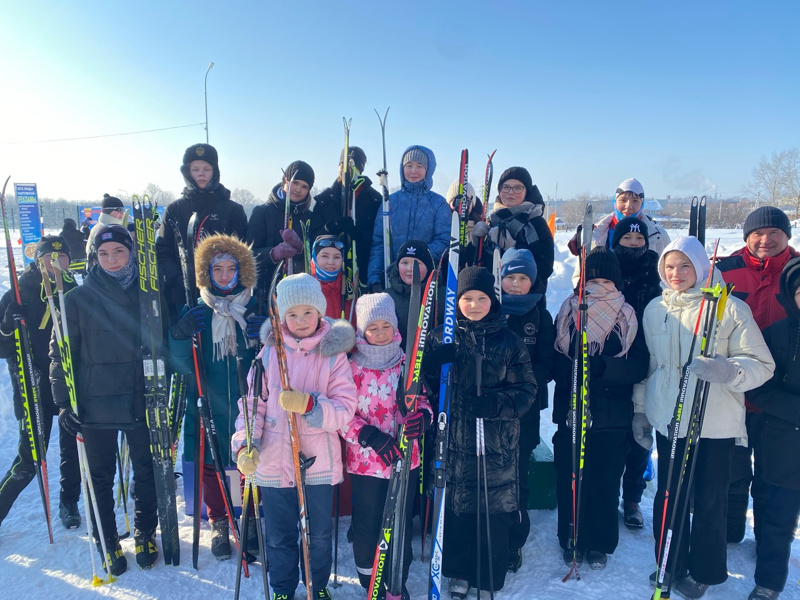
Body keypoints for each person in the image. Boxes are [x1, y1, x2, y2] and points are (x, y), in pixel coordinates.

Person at [639, 236, 774, 598]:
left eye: (685, 266)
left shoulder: (728, 308)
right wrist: (642, 409)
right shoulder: (655, 308)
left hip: (714, 423)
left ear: (700, 267)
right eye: (669, 267)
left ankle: (705, 571)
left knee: (710, 498)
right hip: (669, 416)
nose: (677, 274)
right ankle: (669, 562)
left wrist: (729, 371)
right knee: (669, 495)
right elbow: (652, 365)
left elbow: (763, 365)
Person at [232, 273, 357, 600]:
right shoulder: (269, 354)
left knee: (317, 536)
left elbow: (345, 408)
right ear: (281, 317)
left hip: (316, 464)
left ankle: (318, 586)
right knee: (279, 535)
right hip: (274, 462)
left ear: (319, 312)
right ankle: (283, 589)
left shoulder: (333, 354)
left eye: (307, 312)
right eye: (292, 314)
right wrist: (246, 444)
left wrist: (310, 404)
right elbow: (252, 405)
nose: (300, 320)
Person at [50, 225, 161, 574]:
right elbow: (61, 355)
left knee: (147, 469)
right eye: (103, 254)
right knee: (100, 474)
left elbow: (160, 341)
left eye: (119, 252)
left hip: (141, 396)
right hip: (94, 401)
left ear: (131, 253)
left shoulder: (148, 294)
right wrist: (64, 402)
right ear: (94, 257)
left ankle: (144, 531)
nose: (111, 260)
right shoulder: (78, 300)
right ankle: (106, 538)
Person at [422, 266, 537, 598]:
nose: (473, 305)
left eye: (481, 298)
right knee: (458, 509)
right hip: (454, 443)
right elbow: (423, 389)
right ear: (456, 302)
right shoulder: (442, 336)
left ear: (493, 300)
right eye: (467, 298)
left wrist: (495, 404)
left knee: (491, 512)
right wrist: (431, 364)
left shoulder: (509, 341)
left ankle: (487, 576)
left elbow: (527, 393)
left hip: (494, 444)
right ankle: (458, 570)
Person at [552, 247, 649, 569]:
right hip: (571, 411)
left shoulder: (628, 315)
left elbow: (639, 365)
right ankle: (571, 536)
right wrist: (572, 370)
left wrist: (602, 367)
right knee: (572, 478)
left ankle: (599, 541)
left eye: (606, 278)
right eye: (593, 277)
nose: (599, 285)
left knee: (605, 481)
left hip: (611, 414)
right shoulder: (568, 310)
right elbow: (554, 359)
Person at [168, 233, 257, 560]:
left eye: (229, 268)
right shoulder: (196, 312)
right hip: (206, 399)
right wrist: (179, 335)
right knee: (211, 464)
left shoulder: (254, 307)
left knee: (246, 461)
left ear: (240, 271)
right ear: (207, 272)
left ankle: (247, 518)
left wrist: (265, 335)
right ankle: (219, 520)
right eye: (216, 269)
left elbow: (273, 359)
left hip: (246, 399)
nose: (223, 275)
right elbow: (180, 366)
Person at [716, 206, 799, 545]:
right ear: (747, 236)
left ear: (787, 236)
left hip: (780, 394)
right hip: (734, 390)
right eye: (758, 234)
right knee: (733, 471)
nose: (766, 240)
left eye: (774, 233)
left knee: (771, 474)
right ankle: (731, 530)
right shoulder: (724, 270)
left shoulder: (796, 271)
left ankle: (767, 538)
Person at [341, 293, 432, 598]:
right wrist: (369, 436)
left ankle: (396, 581)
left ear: (395, 328)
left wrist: (423, 418)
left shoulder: (408, 363)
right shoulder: (350, 367)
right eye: (372, 328)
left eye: (385, 327)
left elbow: (422, 402)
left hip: (405, 460)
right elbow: (342, 414)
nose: (380, 334)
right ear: (361, 331)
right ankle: (371, 581)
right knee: (368, 524)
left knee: (400, 526)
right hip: (366, 462)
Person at [0, 237, 81, 532]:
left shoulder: (74, 289)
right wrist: (8, 325)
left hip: (67, 382)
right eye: (50, 258)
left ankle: (69, 502)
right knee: (31, 457)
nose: (56, 263)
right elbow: (2, 347)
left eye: (62, 258)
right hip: (33, 386)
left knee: (72, 450)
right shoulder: (18, 294)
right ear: (39, 261)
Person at [498, 248, 555, 572]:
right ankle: (492, 532)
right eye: (510, 277)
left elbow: (547, 363)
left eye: (523, 278)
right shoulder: (491, 311)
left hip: (525, 409)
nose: (516, 284)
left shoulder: (539, 315)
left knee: (517, 475)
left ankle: (513, 542)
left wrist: (522, 381)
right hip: (493, 410)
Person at [747, 256, 800, 600]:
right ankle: (768, 582)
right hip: (784, 440)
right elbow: (758, 386)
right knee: (779, 518)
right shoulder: (778, 334)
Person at [156, 143, 248, 324]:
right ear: (187, 171)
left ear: (215, 171)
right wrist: (177, 277)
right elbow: (163, 249)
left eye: (206, 169)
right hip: (183, 292)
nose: (201, 173)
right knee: (188, 343)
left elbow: (243, 253)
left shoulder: (232, 210)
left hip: (223, 293)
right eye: (195, 169)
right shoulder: (175, 209)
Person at [610, 216, 664, 529]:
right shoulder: (606, 271)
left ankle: (632, 497)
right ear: (617, 241)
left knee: (640, 434)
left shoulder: (655, 276)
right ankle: (605, 487)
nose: (633, 244)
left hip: (645, 362)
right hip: (614, 363)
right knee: (614, 430)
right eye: (627, 239)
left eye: (638, 240)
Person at [367, 146, 450, 290]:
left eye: (419, 166)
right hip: (393, 280)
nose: (413, 171)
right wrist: (374, 278)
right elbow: (379, 242)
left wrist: (417, 257)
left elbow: (444, 240)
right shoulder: (389, 202)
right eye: (409, 165)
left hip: (426, 281)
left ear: (428, 170)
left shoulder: (438, 203)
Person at [471, 166, 554, 292]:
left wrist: (513, 248)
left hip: (525, 302)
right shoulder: (493, 220)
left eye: (518, 188)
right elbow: (477, 265)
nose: (510, 192)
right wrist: (475, 243)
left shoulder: (536, 223)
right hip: (491, 299)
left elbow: (545, 267)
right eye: (506, 187)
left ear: (527, 191)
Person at [310, 146, 382, 280]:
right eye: (343, 165)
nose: (346, 171)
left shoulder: (375, 200)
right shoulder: (324, 199)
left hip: (361, 270)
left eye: (353, 167)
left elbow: (379, 239)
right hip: (330, 273)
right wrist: (330, 229)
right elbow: (313, 236)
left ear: (360, 169)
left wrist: (359, 235)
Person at [247, 160, 317, 293]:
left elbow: (318, 257)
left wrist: (303, 249)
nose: (298, 189)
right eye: (295, 182)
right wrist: (273, 253)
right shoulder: (262, 213)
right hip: (266, 291)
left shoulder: (310, 218)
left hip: (300, 290)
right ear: (285, 181)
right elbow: (247, 256)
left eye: (304, 187)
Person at [568, 178, 670, 257]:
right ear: (615, 202)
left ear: (642, 204)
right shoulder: (597, 233)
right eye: (623, 200)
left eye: (635, 201)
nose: (628, 206)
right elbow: (580, 274)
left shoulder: (658, 236)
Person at [385, 239, 436, 347]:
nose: (410, 269)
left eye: (417, 263)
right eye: (404, 263)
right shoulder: (386, 297)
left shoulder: (442, 295)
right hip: (398, 361)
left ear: (429, 267)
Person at [308, 235, 353, 322]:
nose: (331, 262)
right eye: (325, 256)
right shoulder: (304, 288)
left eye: (337, 257)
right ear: (314, 256)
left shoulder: (352, 291)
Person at [444, 180, 484, 268]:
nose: (461, 205)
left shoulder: (478, 225)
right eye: (456, 201)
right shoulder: (443, 224)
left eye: (465, 201)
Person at [85, 194, 127, 266]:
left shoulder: (115, 227)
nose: (122, 213)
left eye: (123, 210)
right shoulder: (101, 230)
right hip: (105, 272)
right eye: (119, 210)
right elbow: (93, 255)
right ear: (108, 211)